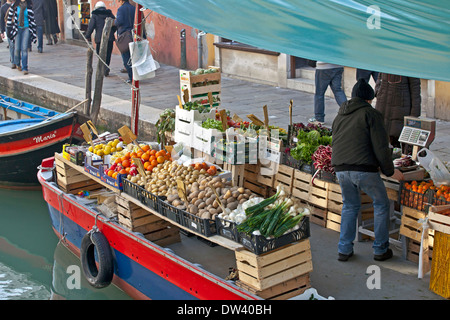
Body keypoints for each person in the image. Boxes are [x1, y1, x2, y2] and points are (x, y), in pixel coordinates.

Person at [331, 79, 404, 262]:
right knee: (381, 204)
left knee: (349, 206)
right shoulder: (371, 114)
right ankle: (380, 249)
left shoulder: (340, 115)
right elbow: (381, 146)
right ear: (369, 99)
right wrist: (389, 171)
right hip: (363, 169)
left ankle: (344, 250)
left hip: (340, 168)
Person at [375, 73, 421, 150]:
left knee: (402, 140)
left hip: (401, 109)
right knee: (383, 139)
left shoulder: (410, 66)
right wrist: (377, 91)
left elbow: (415, 89)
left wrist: (414, 114)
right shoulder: (385, 62)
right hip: (383, 105)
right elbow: (379, 77)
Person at [84, 1, 116, 76]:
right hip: (109, 38)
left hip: (99, 38)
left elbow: (91, 27)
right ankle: (106, 67)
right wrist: (111, 32)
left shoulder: (95, 15)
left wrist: (87, 36)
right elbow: (115, 25)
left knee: (100, 54)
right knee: (108, 54)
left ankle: (103, 68)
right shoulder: (109, 14)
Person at [6, 0, 37, 74]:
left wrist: (34, 32)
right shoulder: (14, 6)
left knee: (24, 48)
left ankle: (25, 68)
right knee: (17, 49)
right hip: (17, 30)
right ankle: (17, 63)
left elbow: (32, 19)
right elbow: (9, 18)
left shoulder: (29, 6)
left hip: (26, 28)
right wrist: (9, 30)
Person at [114, 0, 134, 83]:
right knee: (133, 57)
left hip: (125, 35)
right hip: (134, 34)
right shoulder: (134, 8)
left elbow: (119, 22)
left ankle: (131, 77)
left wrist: (114, 22)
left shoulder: (120, 9)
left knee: (126, 57)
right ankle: (134, 76)